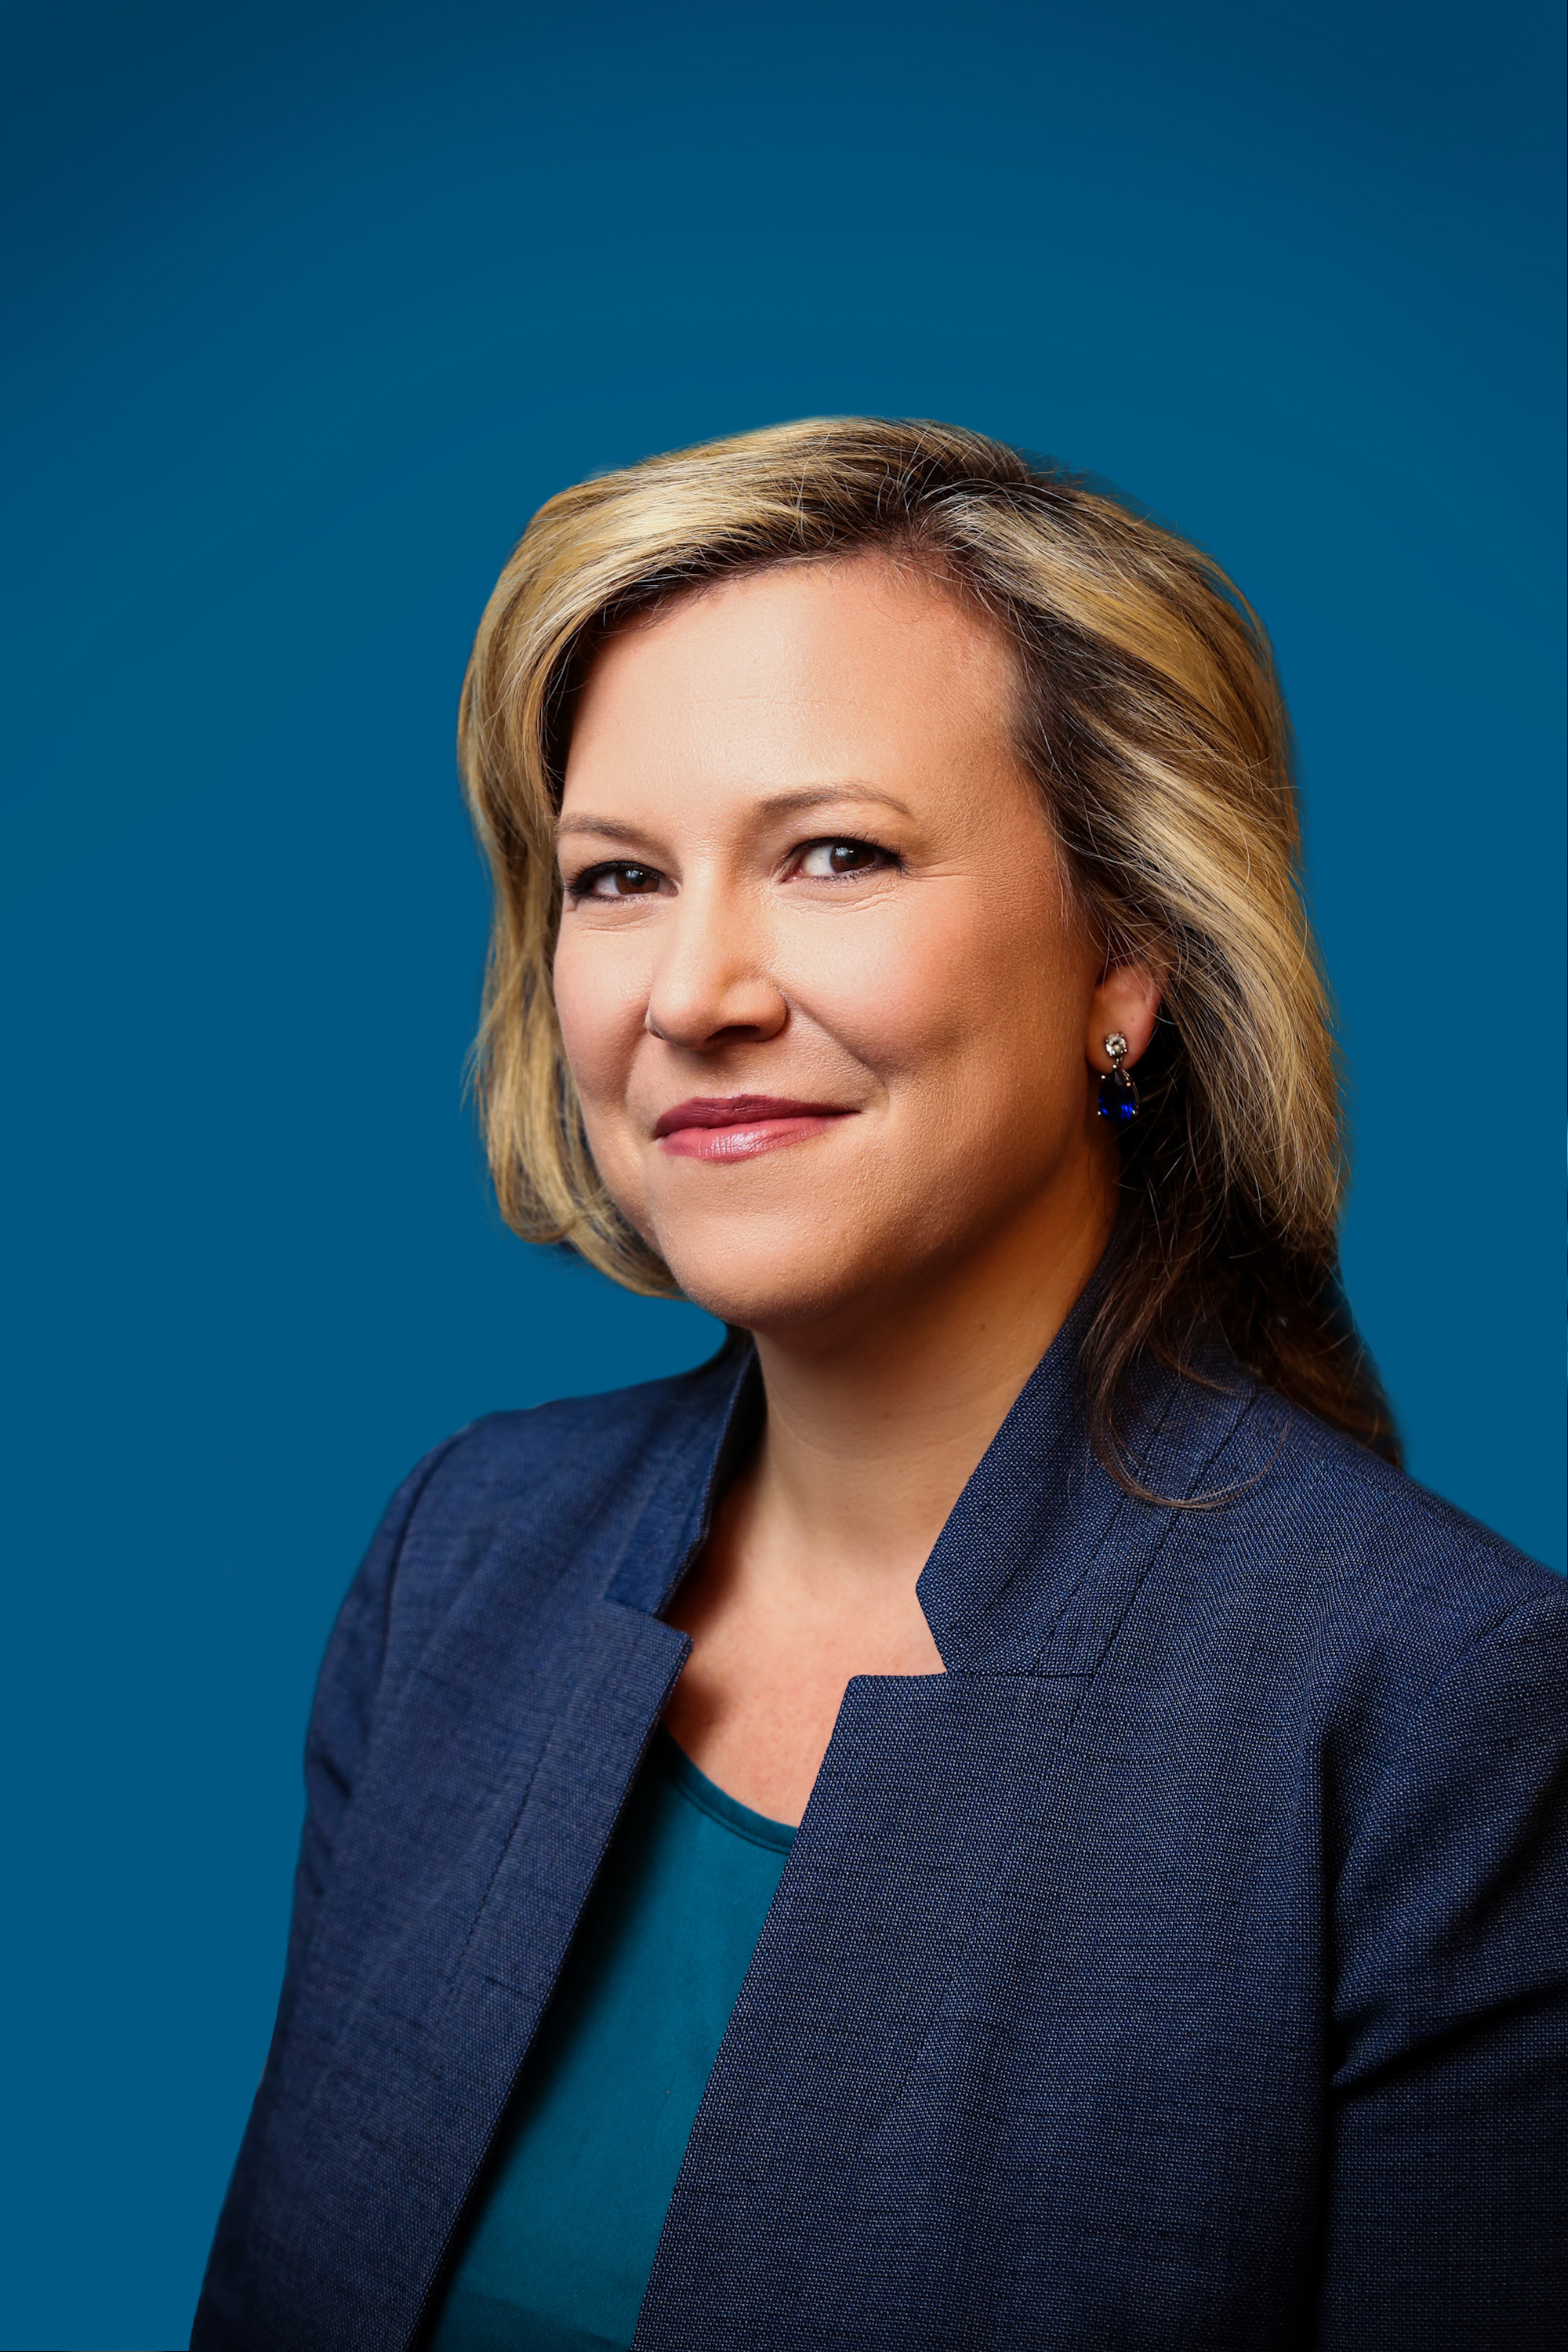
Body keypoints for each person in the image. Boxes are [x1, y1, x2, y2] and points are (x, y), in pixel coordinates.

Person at [192, 419, 1566, 2352]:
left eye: (834, 854)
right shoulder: (463, 1558)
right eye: (617, 879)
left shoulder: (1442, 1710)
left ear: (1129, 955)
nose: (693, 994)